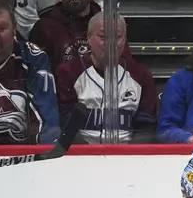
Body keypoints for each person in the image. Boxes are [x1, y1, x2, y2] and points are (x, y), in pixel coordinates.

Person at [55, 12, 157, 144]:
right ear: (89, 39)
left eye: (117, 37)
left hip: (128, 157)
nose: (111, 43)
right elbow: (65, 125)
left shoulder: (141, 76)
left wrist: (130, 157)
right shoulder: (68, 72)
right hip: (81, 156)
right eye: (103, 37)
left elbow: (146, 127)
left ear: (124, 40)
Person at [0, 0, 59, 144]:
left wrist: (43, 157)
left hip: (27, 158)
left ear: (14, 29)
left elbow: (47, 121)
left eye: (1, 28)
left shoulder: (33, 58)